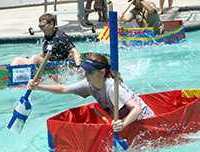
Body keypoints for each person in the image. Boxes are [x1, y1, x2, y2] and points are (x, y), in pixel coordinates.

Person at [27, 54, 155, 132]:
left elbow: (137, 109)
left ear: (102, 72)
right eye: (85, 71)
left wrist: (123, 124)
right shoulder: (90, 84)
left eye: (90, 72)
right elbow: (64, 89)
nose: (85, 75)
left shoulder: (112, 87)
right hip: (128, 124)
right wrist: (39, 87)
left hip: (147, 122)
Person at [11, 13, 80, 69]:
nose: (41, 29)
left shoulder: (61, 36)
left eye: (43, 26)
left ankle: (26, 77)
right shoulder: (48, 34)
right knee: (17, 59)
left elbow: (74, 51)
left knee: (34, 58)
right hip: (46, 61)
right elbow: (47, 50)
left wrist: (78, 66)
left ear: (51, 24)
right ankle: (10, 76)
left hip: (55, 65)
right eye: (40, 27)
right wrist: (36, 57)